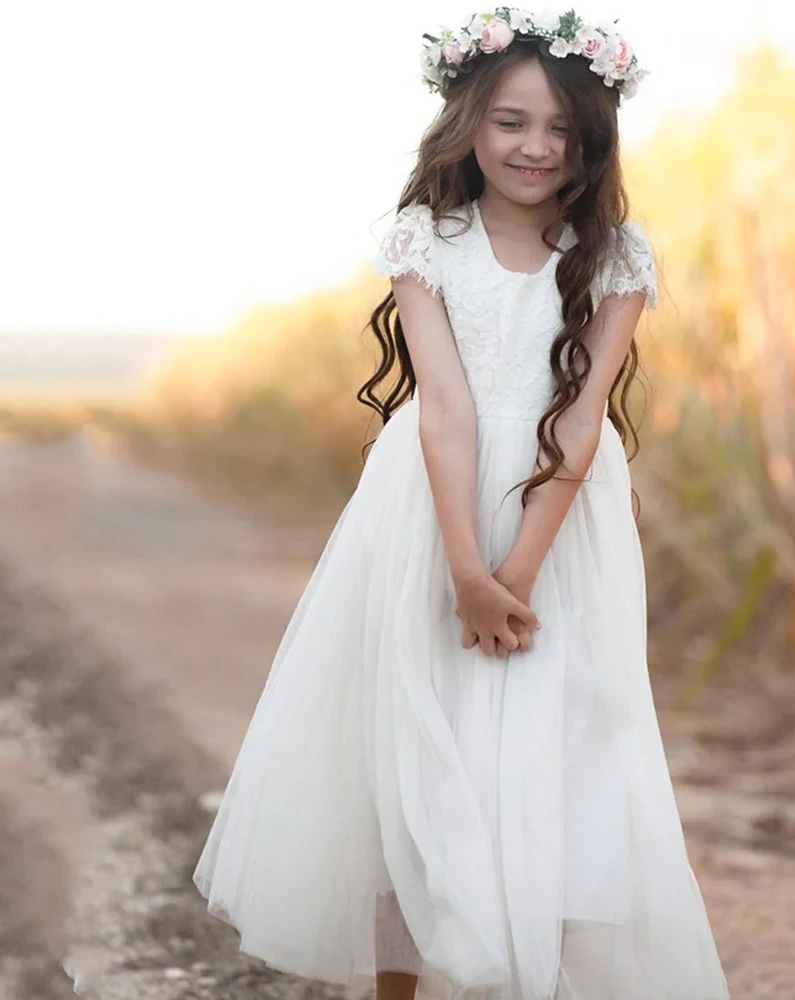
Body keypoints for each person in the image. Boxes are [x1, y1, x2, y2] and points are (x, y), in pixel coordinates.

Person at [192, 8, 730, 1000]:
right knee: (410, 733)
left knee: (556, 740)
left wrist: (517, 569)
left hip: (560, 519)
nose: (535, 147)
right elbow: (441, 406)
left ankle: (531, 972)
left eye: (562, 129)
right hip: (426, 510)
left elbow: (579, 416)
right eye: (512, 122)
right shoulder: (424, 239)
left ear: (593, 139)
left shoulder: (614, 255)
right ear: (468, 124)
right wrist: (464, 570)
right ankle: (398, 984)